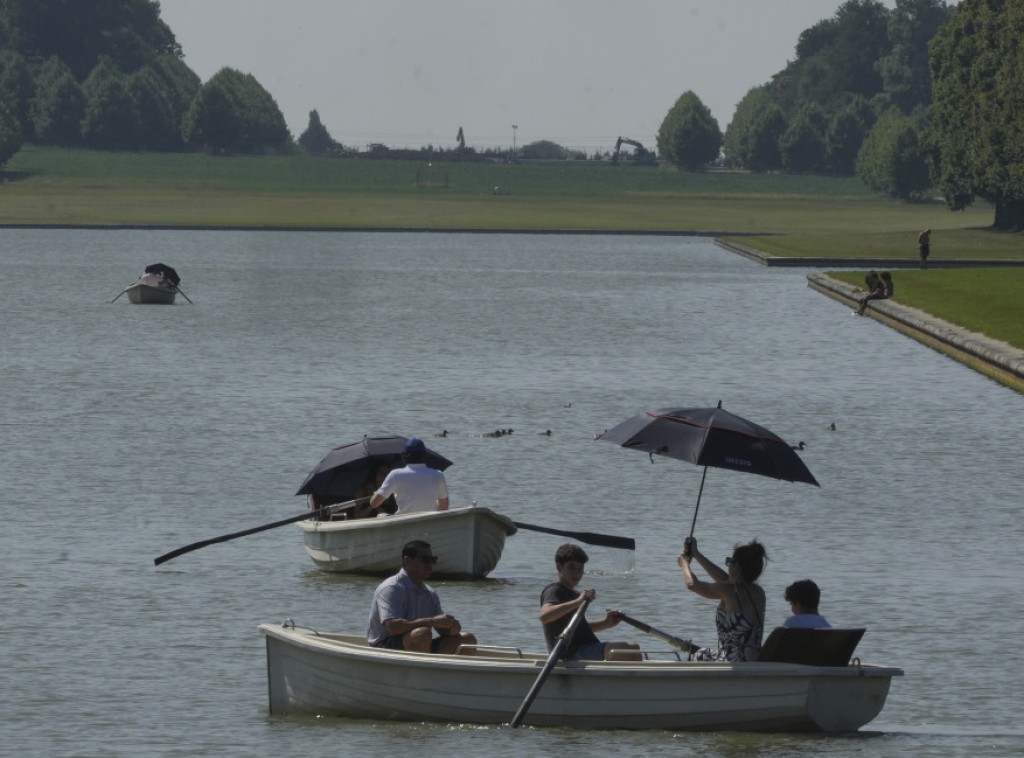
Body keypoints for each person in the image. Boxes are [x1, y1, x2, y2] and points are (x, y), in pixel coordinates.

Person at [366, 540, 476, 654]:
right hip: (384, 646)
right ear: (407, 560)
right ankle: (422, 669)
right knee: (422, 634)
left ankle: (437, 670)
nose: (430, 565)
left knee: (468, 640)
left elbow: (439, 627)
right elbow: (393, 628)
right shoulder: (391, 588)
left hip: (418, 642)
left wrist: (451, 627)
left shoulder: (430, 593)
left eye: (432, 560)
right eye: (425, 560)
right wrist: (431, 621)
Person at [539, 543, 641, 661]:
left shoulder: (575, 594)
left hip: (585, 648)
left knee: (633, 649)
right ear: (559, 567)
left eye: (580, 568)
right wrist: (578, 601)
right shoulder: (554, 590)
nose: (577, 573)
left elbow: (579, 629)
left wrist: (606, 622)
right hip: (569, 653)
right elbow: (544, 616)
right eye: (572, 567)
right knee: (632, 648)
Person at [677, 537, 767, 662]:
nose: (728, 566)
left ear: (737, 568)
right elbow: (725, 579)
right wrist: (696, 554)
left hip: (734, 659)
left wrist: (684, 564)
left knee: (701, 654)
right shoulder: (759, 592)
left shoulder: (729, 590)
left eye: (730, 562)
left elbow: (692, 585)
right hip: (754, 658)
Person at [368, 438, 449, 515]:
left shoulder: (395, 475)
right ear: (424, 455)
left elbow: (374, 504)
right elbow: (444, 507)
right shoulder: (438, 475)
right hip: (428, 521)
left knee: (380, 515)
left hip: (404, 521)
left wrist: (376, 494)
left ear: (404, 455)